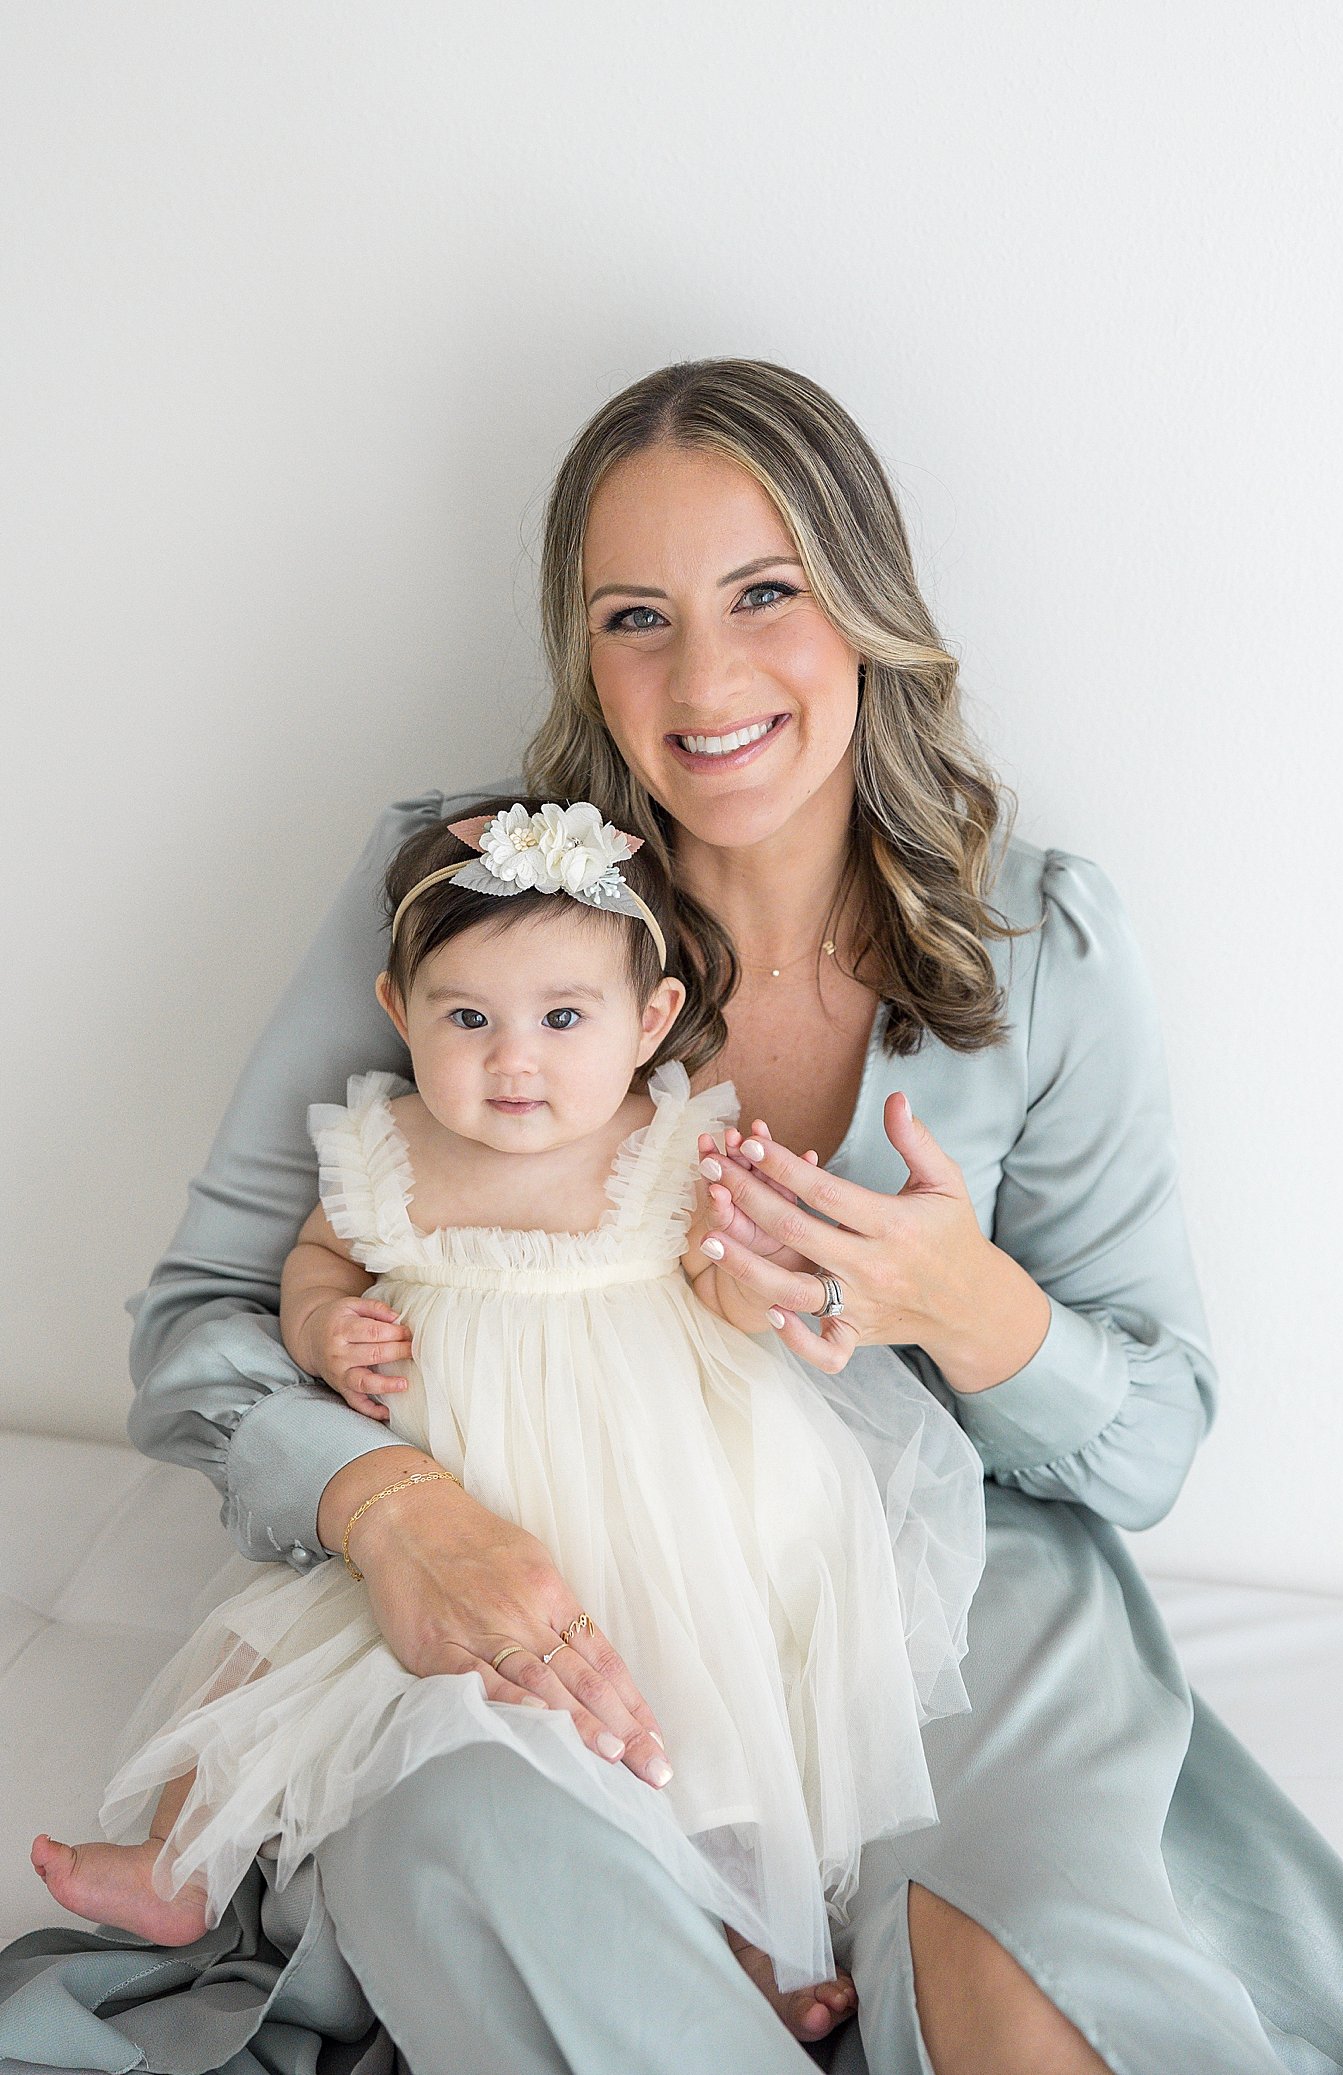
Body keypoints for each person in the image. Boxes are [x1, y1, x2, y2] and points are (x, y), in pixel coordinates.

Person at [2, 357, 1343, 2075]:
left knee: (1028, 2011)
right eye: (636, 616)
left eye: (765, 593)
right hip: (530, 1555)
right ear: (581, 651)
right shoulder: (471, 913)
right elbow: (205, 1318)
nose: (708, 675)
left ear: (870, 606)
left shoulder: (1043, 947)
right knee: (476, 1872)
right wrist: (386, 1501)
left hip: (940, 1587)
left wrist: (971, 1309)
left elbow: (1152, 1437)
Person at [27, 797, 986, 2040]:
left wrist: (746, 1281)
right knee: (272, 1644)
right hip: (448, 1496)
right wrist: (324, 1328)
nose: (511, 1058)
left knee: (700, 1700)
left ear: (649, 1024)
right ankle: (175, 1860)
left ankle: (752, 1934)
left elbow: (725, 1279)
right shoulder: (386, 1146)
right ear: (397, 1011)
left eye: (561, 1019)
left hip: (647, 1487)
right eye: (467, 1018)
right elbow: (316, 1264)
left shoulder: (664, 1144)